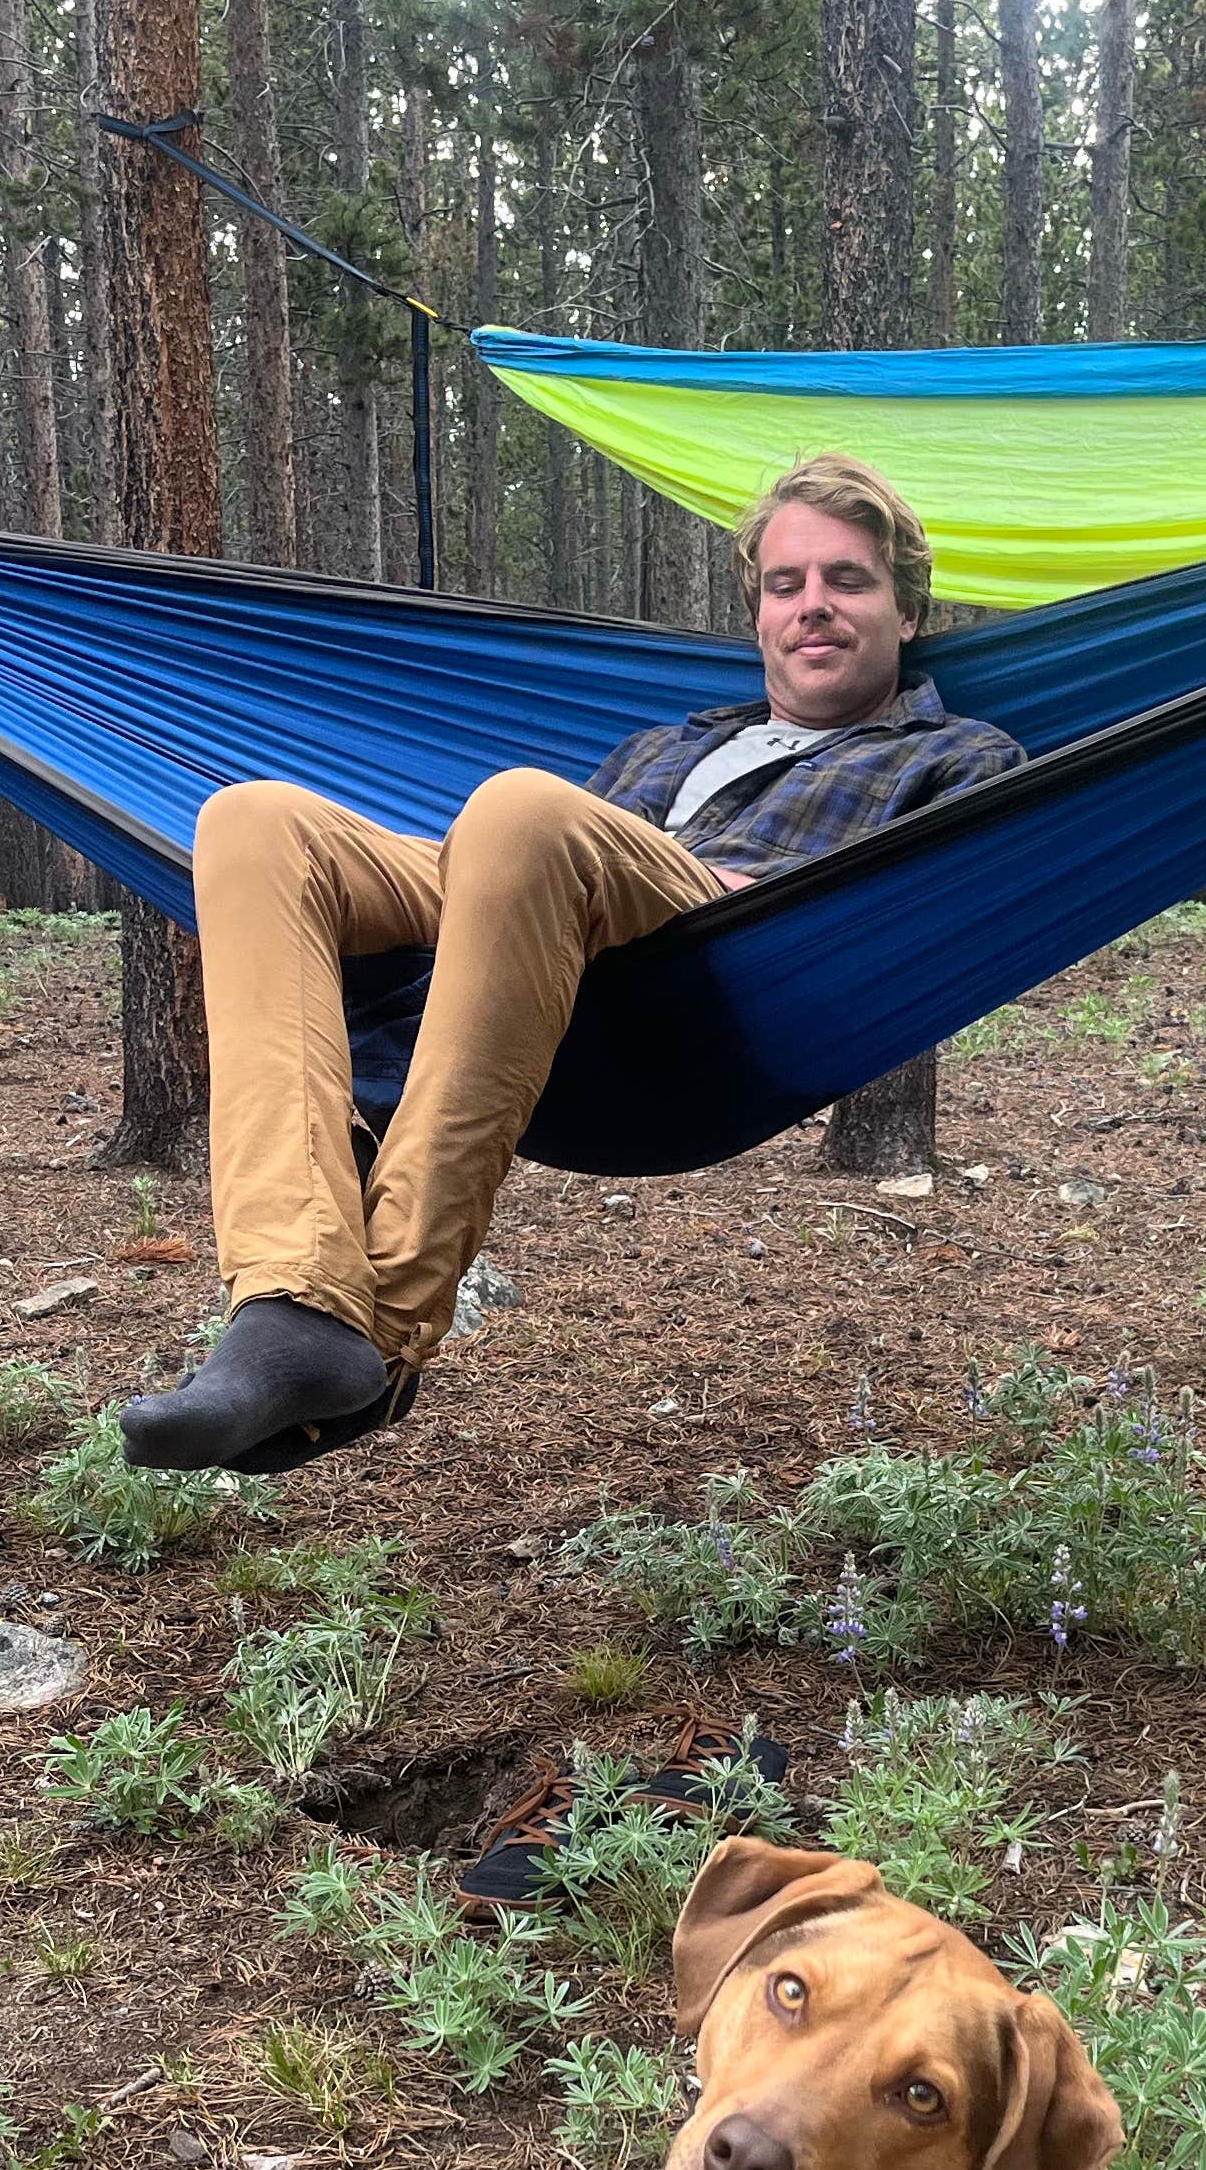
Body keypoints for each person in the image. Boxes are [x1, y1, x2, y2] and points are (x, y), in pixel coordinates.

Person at [118, 451, 1022, 1472]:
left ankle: (382, 1333)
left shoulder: (956, 757)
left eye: (847, 581)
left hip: (726, 951)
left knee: (521, 808)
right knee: (252, 823)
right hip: (558, 917)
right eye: (786, 585)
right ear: (759, 616)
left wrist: (745, 899)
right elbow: (526, 874)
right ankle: (290, 1300)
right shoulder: (669, 744)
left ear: (907, 611)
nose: (813, 606)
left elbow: (902, 919)